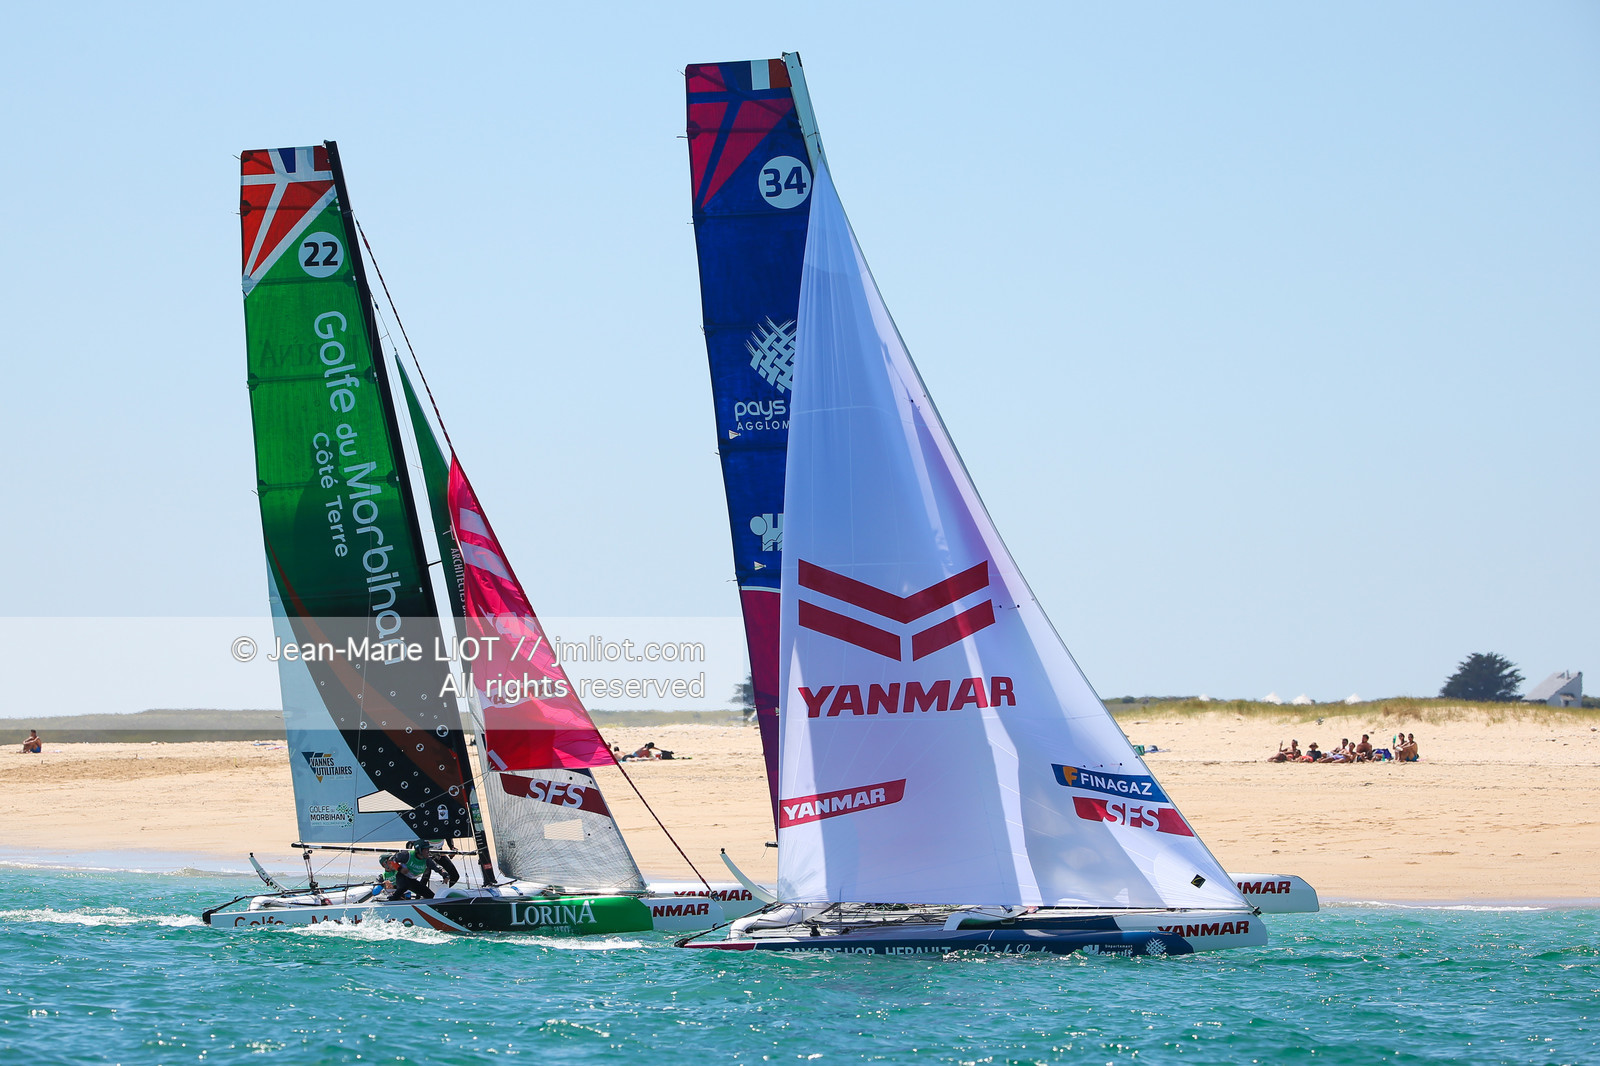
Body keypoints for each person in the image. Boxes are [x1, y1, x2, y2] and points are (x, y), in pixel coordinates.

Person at [379, 840, 458, 900]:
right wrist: (400, 869)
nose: (428, 852)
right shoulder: (407, 855)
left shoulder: (427, 860)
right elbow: (392, 859)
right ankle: (392, 899)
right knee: (404, 886)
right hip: (402, 877)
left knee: (431, 897)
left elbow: (438, 868)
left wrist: (445, 875)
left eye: (428, 849)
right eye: (426, 850)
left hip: (412, 881)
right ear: (419, 850)